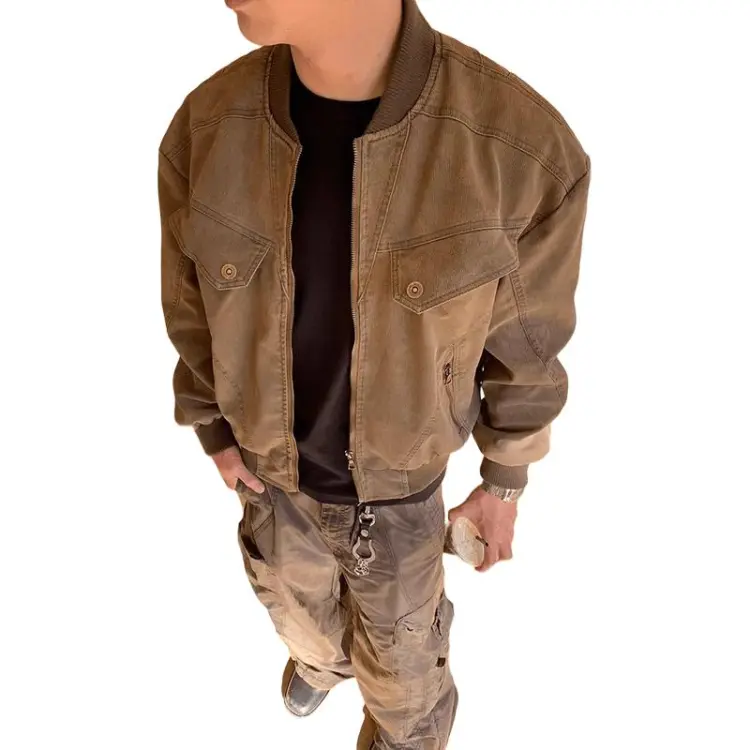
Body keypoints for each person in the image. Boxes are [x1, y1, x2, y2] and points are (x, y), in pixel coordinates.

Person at [157, 0, 591, 747]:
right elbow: (190, 302)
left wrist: (504, 480)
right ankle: (325, 662)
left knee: (405, 679)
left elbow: (528, 343)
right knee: (295, 611)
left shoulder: (520, 150)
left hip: (399, 504)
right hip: (267, 481)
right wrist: (212, 428)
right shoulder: (207, 126)